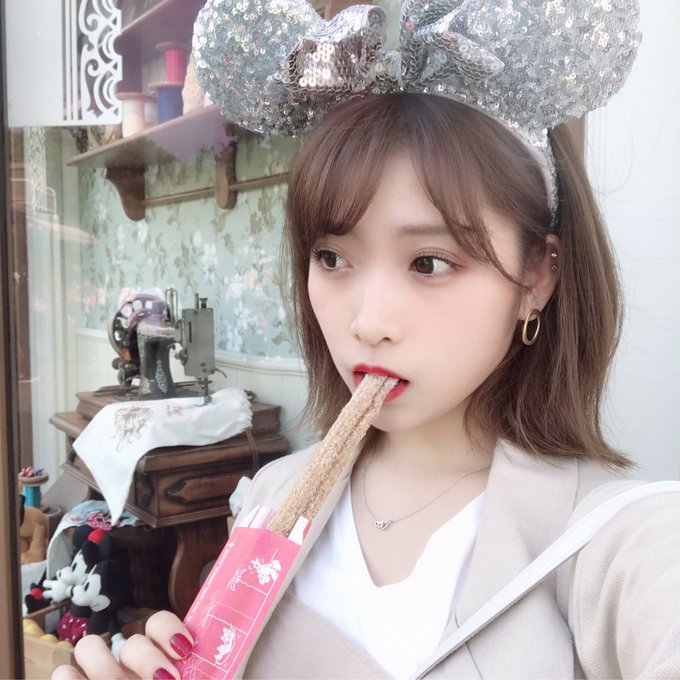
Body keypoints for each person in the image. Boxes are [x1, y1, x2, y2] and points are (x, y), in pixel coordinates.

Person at [53, 1, 680, 678]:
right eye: (332, 258)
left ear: (537, 277)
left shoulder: (621, 541)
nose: (367, 321)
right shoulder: (270, 497)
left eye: (429, 262)